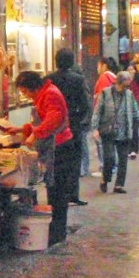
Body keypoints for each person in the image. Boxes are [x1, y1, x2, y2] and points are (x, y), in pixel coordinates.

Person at [12, 71, 72, 246]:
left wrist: (34, 135)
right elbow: (41, 121)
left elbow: (53, 119)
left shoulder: (50, 94)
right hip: (55, 147)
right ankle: (55, 231)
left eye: (25, 91)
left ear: (32, 87)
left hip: (60, 148)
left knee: (58, 192)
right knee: (54, 190)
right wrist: (20, 129)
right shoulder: (45, 93)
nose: (26, 95)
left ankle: (57, 233)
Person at [91, 70, 139, 194]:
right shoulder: (105, 93)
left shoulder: (129, 94)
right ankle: (105, 179)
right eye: (125, 85)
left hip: (124, 131)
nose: (127, 88)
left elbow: (135, 111)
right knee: (109, 158)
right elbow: (97, 112)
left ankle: (119, 185)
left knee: (123, 160)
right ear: (119, 82)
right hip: (108, 130)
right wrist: (95, 128)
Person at [48, 49, 91, 207]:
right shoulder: (78, 80)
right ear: (72, 62)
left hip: (53, 127)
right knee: (74, 162)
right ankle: (73, 194)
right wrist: (78, 121)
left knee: (54, 162)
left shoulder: (49, 79)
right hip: (73, 125)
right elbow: (84, 104)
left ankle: (54, 194)